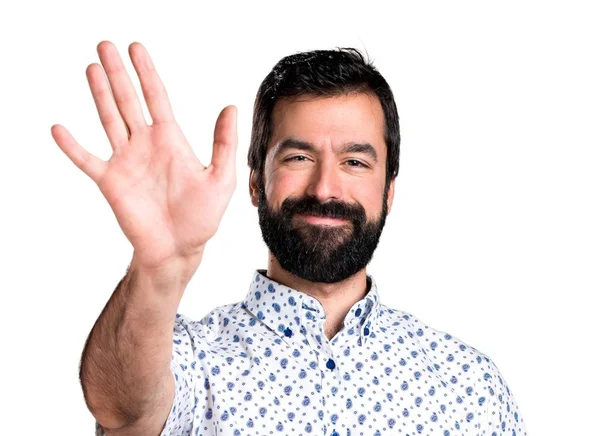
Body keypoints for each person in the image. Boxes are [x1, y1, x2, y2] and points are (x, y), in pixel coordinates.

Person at [52, 41, 527, 436]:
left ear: (389, 190)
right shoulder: (189, 362)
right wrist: (160, 266)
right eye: (298, 158)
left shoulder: (471, 386)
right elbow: (121, 408)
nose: (325, 188)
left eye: (355, 162)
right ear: (257, 181)